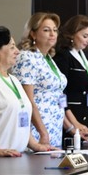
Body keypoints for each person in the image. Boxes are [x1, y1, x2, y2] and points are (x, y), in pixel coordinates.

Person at [0, 26, 53, 159]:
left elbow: (20, 120)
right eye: (11, 47)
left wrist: (35, 145)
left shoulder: (14, 80)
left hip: (17, 157)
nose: (17, 51)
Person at [11, 12, 68, 148]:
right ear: (33, 34)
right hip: (36, 129)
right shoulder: (27, 58)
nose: (52, 34)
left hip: (54, 126)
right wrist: (42, 132)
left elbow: (57, 97)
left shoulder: (48, 58)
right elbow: (27, 100)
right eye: (46, 30)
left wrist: (71, 127)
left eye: (55, 30)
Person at [55, 15, 88, 139]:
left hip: (84, 117)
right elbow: (61, 94)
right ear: (71, 35)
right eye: (85, 36)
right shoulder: (63, 56)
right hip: (69, 120)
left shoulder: (82, 56)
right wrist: (74, 124)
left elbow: (87, 91)